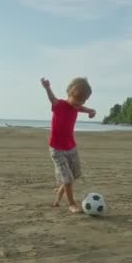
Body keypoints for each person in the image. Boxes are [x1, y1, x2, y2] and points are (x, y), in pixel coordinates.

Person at [40, 77, 96, 213]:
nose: (79, 104)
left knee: (75, 174)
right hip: (57, 149)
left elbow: (80, 108)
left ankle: (60, 192)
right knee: (68, 178)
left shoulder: (76, 106)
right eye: (78, 100)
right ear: (69, 93)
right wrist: (47, 88)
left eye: (83, 101)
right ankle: (71, 204)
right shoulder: (59, 105)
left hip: (71, 147)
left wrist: (90, 110)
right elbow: (52, 98)